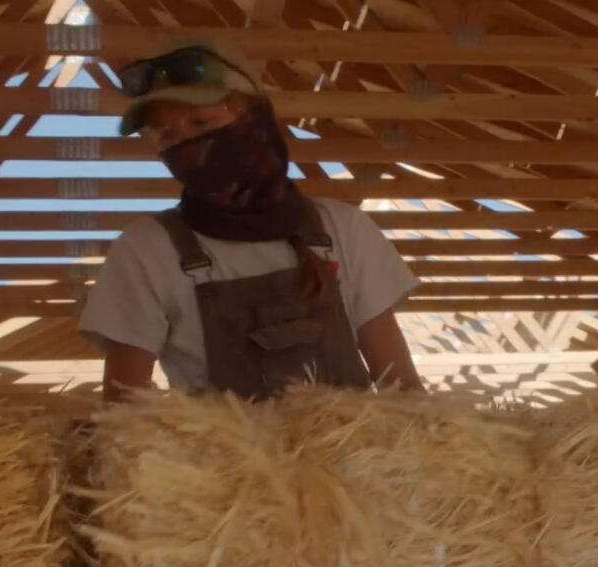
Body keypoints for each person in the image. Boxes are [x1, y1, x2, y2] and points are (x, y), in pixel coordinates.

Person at [79, 42, 423, 401]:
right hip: (216, 458)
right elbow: (124, 417)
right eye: (166, 134)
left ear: (256, 119)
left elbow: (403, 392)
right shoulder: (147, 251)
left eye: (201, 122)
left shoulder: (343, 230)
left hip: (356, 456)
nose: (186, 143)